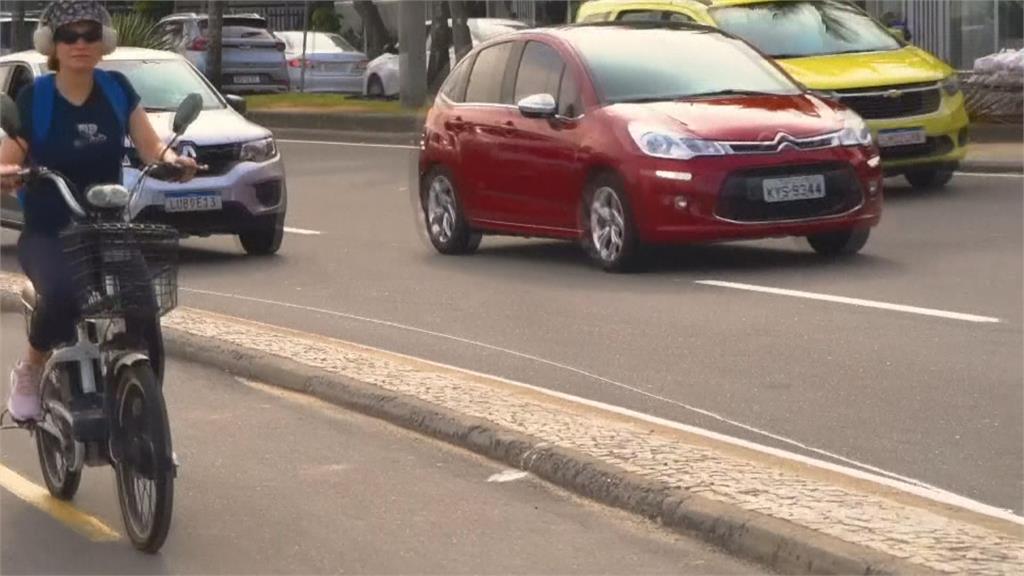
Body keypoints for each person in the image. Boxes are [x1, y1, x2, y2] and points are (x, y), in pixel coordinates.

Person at [0, 0, 197, 422]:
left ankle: (143, 411)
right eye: (69, 35)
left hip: (107, 228)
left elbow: (150, 145)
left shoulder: (116, 89)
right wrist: (10, 174)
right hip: (49, 231)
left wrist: (172, 160)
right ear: (52, 43)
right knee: (62, 298)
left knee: (144, 306)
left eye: (90, 34)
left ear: (103, 43)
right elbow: (9, 157)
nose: (80, 43)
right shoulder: (36, 97)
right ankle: (31, 369)